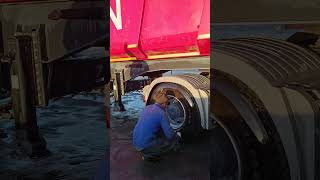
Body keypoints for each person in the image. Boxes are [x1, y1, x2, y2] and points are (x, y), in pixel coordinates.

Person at [133, 90, 181, 161]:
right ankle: (150, 155)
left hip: (136, 143)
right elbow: (170, 135)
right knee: (172, 142)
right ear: (163, 103)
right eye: (167, 104)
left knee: (160, 133)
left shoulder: (147, 107)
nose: (167, 106)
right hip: (144, 146)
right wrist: (177, 136)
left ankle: (148, 150)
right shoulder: (161, 113)